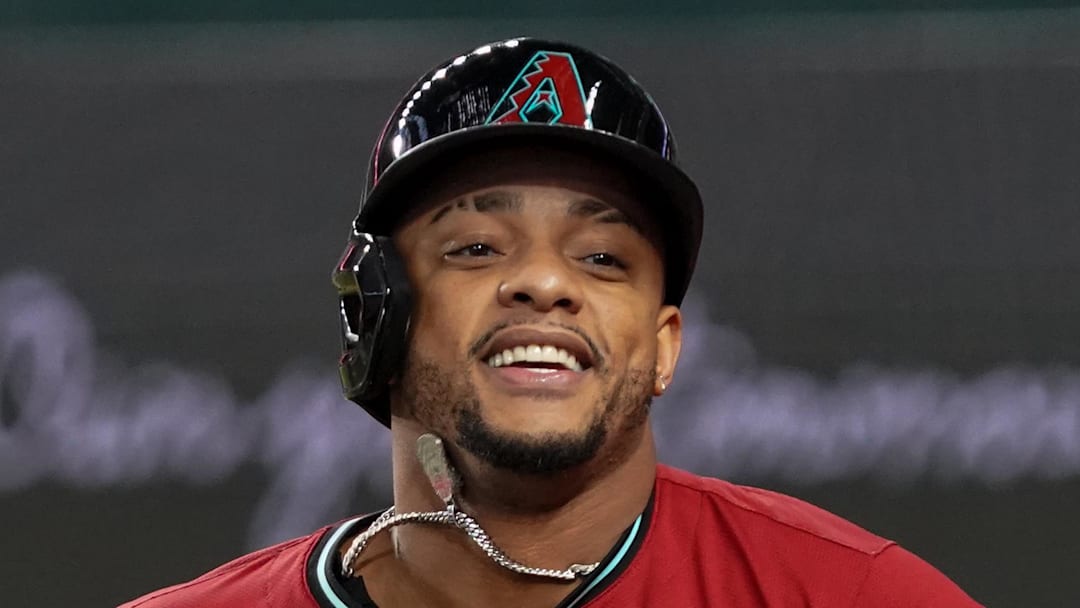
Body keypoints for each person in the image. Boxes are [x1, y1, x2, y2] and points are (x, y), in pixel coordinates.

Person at [121, 37, 981, 607]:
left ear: (664, 346)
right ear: (375, 309)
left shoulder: (850, 595)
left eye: (603, 258)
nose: (541, 281)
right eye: (476, 247)